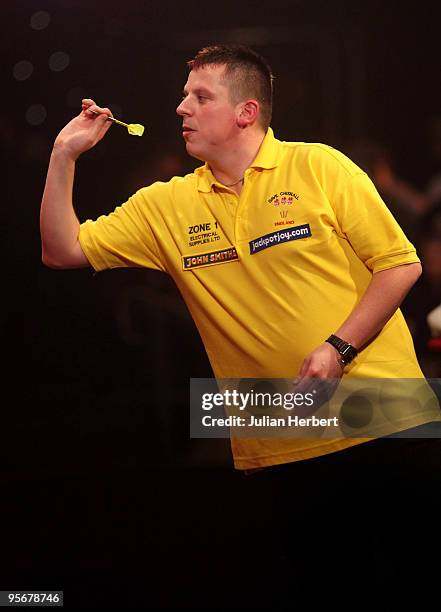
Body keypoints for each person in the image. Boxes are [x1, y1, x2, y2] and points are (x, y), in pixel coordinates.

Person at [40, 45, 440, 598]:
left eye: (200, 97)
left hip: (388, 415)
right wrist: (64, 155)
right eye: (184, 96)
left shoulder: (318, 166)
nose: (182, 108)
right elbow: (62, 250)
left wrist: (338, 348)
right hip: (279, 428)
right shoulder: (166, 205)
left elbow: (401, 264)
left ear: (246, 112)